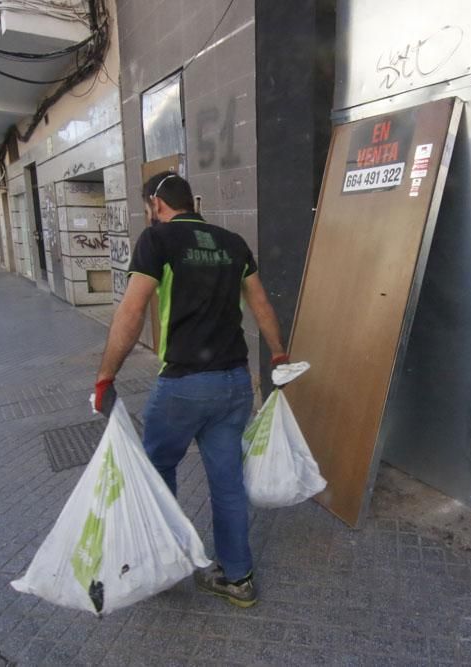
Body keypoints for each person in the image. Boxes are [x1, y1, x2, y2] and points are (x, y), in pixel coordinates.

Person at [94, 172, 287, 608]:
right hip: (235, 383)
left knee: (156, 470)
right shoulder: (232, 242)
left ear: (156, 204)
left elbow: (132, 310)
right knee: (227, 481)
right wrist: (278, 356)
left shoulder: (157, 239)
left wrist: (106, 375)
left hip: (184, 385)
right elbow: (261, 306)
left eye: (148, 208)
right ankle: (238, 578)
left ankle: (163, 564)